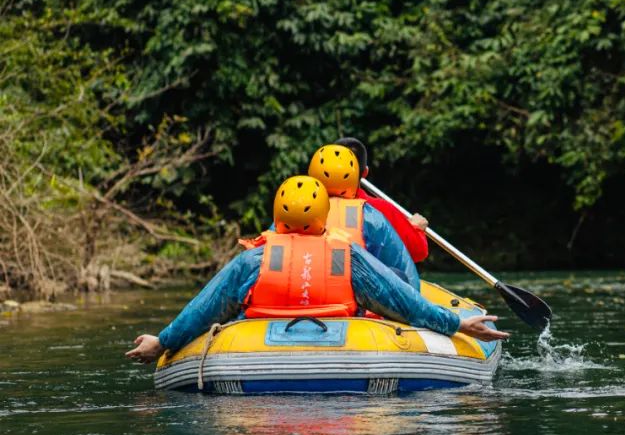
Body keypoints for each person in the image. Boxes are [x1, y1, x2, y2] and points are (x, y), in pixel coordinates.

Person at [125, 175, 507, 363]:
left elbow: (205, 308)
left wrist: (162, 342)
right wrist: (457, 324)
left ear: (276, 215)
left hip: (253, 354)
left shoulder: (253, 260)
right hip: (349, 350)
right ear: (324, 215)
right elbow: (405, 302)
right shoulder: (349, 258)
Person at [307, 140, 429, 264]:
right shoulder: (380, 209)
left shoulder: (303, 206)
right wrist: (416, 229)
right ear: (365, 172)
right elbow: (418, 251)